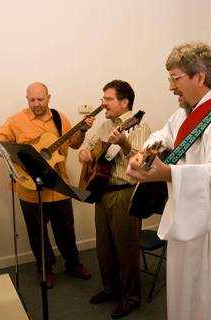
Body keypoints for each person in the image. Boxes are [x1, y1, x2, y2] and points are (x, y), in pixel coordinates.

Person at [127, 42, 211, 320]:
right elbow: (161, 136)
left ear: (200, 77)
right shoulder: (184, 114)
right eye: (169, 78)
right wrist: (144, 156)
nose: (171, 87)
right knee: (186, 299)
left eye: (176, 78)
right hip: (185, 217)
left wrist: (168, 174)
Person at [0, 82, 93, 289]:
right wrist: (23, 161)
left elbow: (74, 144)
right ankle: (45, 269)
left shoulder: (59, 118)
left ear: (49, 97)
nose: (36, 104)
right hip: (30, 190)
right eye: (32, 100)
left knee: (66, 229)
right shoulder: (15, 121)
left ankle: (73, 264)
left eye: (40, 99)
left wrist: (82, 131)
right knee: (37, 233)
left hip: (59, 188)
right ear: (27, 99)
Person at [78, 80, 151, 319]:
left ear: (124, 102)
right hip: (101, 191)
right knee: (104, 248)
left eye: (108, 99)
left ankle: (131, 297)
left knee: (126, 249)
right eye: (103, 98)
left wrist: (125, 143)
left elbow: (145, 163)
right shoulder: (105, 124)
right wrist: (84, 154)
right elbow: (86, 149)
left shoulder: (139, 126)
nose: (103, 104)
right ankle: (110, 288)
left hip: (124, 192)